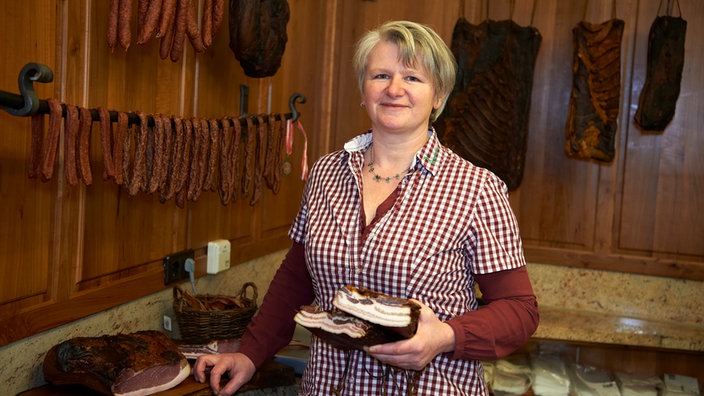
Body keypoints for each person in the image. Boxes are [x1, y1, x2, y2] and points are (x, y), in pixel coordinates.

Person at [193, 20, 539, 396]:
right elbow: (296, 277)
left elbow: (519, 309)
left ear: (438, 96)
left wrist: (445, 336)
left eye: (412, 78)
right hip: (326, 387)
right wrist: (249, 353)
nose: (394, 89)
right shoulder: (327, 173)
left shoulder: (476, 189)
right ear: (363, 89)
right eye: (381, 75)